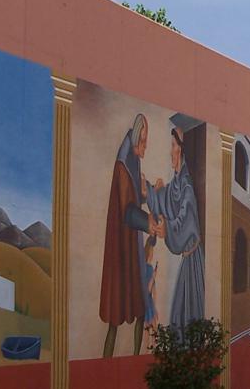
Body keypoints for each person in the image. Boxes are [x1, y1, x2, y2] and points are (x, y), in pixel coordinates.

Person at [99, 114, 162, 357]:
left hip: (131, 246)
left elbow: (135, 198)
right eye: (144, 142)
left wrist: (148, 194)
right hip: (122, 249)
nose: (146, 147)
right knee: (116, 317)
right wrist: (149, 223)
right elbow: (127, 210)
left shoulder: (132, 160)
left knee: (138, 308)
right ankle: (107, 364)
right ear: (136, 140)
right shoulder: (124, 165)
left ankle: (136, 362)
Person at [146, 118, 205, 330]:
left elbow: (184, 220)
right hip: (186, 259)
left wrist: (167, 228)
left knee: (185, 312)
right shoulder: (178, 183)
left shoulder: (187, 187)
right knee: (181, 313)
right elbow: (166, 199)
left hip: (192, 260)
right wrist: (151, 191)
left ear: (181, 150)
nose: (170, 151)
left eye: (173, 146)